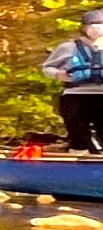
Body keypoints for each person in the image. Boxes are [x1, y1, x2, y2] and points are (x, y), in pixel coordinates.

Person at [44, 9, 103, 151]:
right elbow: (48, 68)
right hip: (75, 93)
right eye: (93, 24)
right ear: (84, 27)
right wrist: (59, 74)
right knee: (77, 128)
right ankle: (78, 154)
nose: (98, 28)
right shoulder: (68, 48)